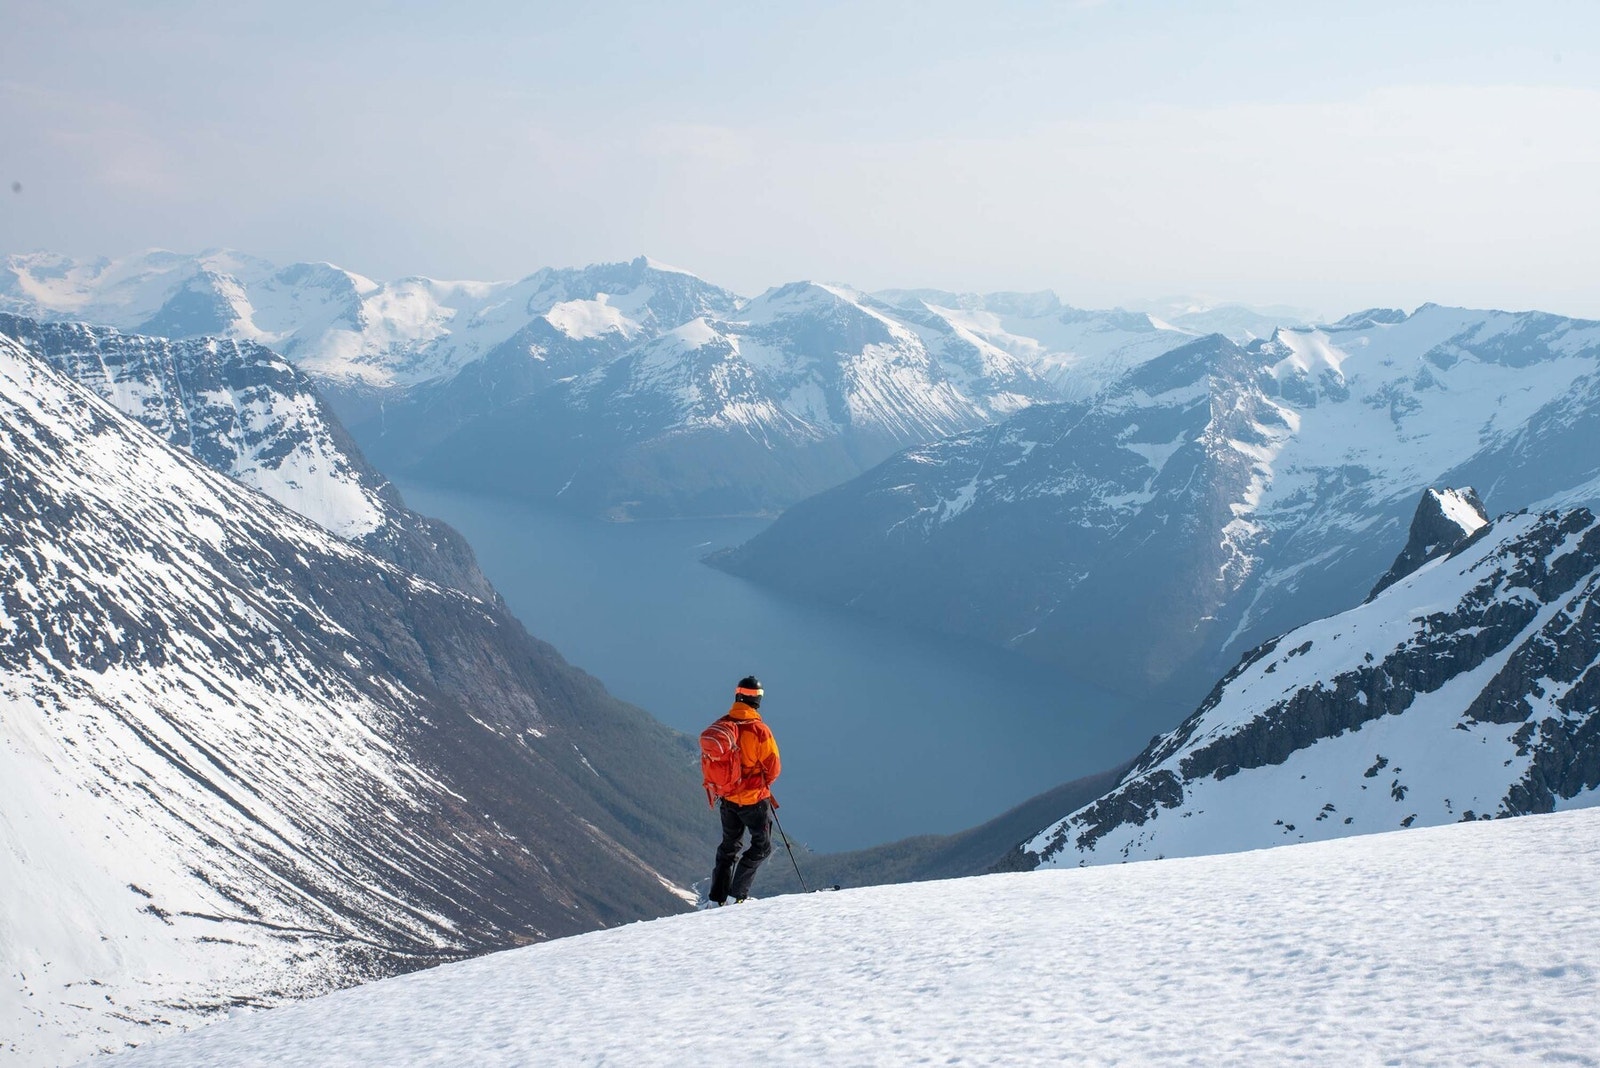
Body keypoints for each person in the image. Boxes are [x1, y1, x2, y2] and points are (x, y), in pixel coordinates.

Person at [705, 675, 781, 906]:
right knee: (762, 846)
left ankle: (715, 899)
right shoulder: (759, 731)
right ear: (757, 700)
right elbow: (774, 768)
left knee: (729, 846)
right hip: (753, 800)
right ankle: (736, 895)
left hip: (727, 798)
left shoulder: (723, 725)